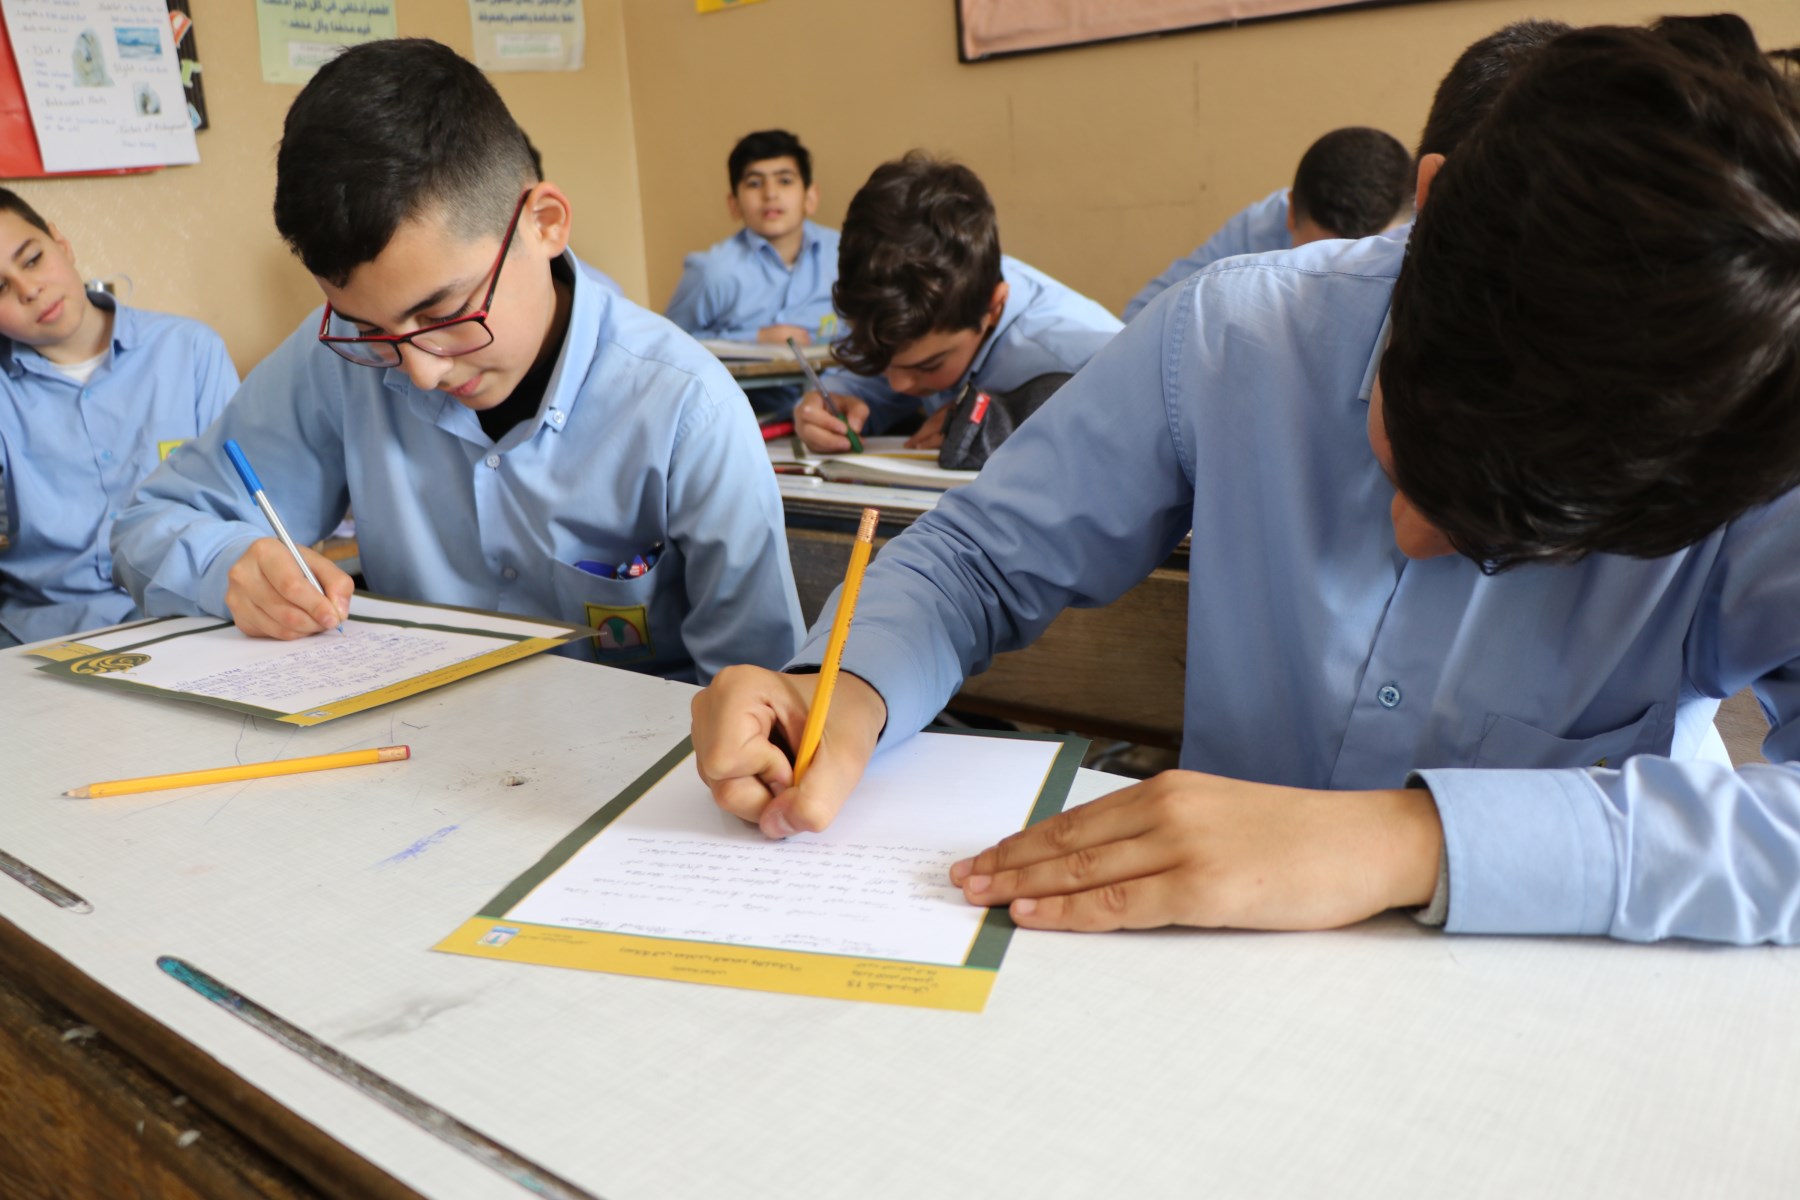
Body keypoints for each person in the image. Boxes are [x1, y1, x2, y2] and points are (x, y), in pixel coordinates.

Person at [690, 15, 1800, 945]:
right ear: (1428, 216)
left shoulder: (1756, 443)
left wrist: (1417, 841)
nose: (1413, 534)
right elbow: (976, 560)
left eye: (1528, 540)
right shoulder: (1233, 337)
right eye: (1413, 444)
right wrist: (848, 691)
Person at [112, 39, 802, 684]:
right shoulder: (340, 358)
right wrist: (228, 563)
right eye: (371, 329)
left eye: (445, 313)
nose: (419, 372)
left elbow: (760, 699)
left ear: (545, 224)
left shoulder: (687, 408)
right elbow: (150, 523)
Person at [0, 188, 236, 647]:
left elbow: (238, 505)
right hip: (36, 638)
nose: (29, 290)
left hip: (185, 621)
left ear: (60, 242)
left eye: (32, 259)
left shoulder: (190, 351)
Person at [795, 153, 1121, 453]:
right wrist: (829, 406)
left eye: (929, 366)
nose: (898, 383)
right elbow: (864, 389)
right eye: (879, 358)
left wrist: (1008, 419)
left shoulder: (1082, 357)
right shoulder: (927, 308)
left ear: (993, 307)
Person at [1122, 126, 1413, 321]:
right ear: (1290, 213)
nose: (1343, 284)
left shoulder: (1423, 241)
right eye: (1319, 259)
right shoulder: (1259, 230)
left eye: (1368, 257)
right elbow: (1142, 317)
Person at [665, 129, 838, 349]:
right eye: (754, 183)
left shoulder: (843, 255)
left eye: (785, 181)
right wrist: (755, 338)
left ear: (810, 197)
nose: (770, 194)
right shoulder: (713, 271)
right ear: (734, 204)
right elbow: (669, 343)